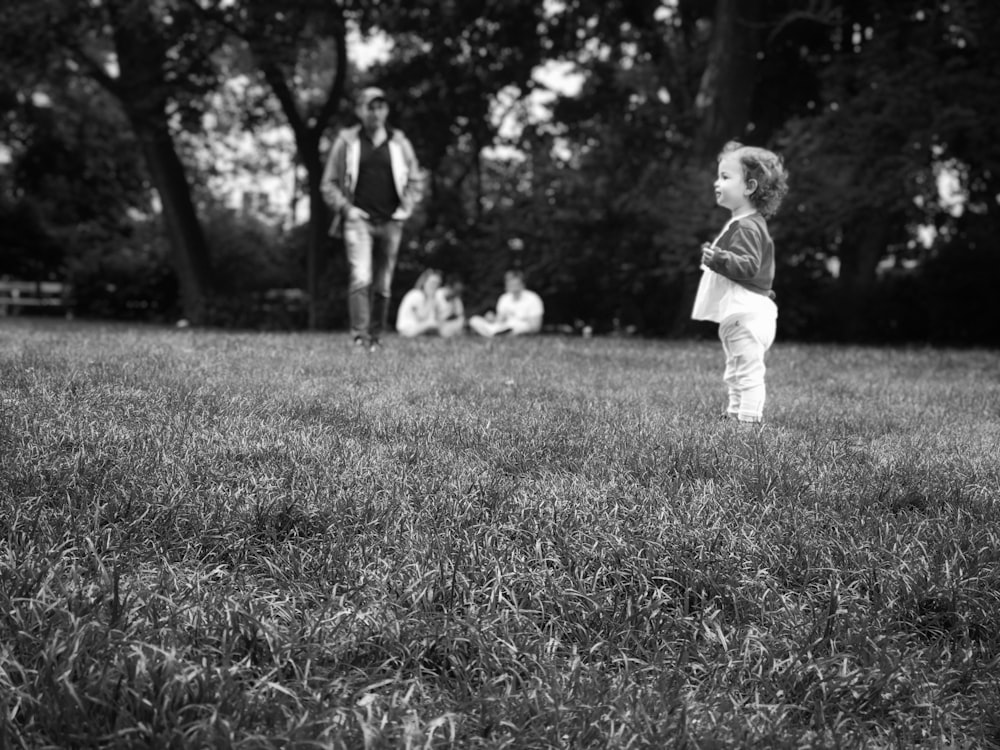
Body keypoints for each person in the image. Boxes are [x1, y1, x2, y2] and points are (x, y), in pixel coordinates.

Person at [691, 140, 789, 424]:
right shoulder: (744, 222)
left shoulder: (746, 226)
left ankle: (748, 421)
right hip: (743, 313)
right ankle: (734, 415)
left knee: (747, 371)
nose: (716, 182)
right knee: (736, 369)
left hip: (747, 312)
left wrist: (718, 257)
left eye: (725, 176)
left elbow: (748, 266)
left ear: (749, 187)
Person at [321, 86, 423, 352]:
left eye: (380, 106)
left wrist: (406, 208)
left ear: (386, 110)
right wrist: (346, 209)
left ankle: (376, 339)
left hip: (391, 221)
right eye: (370, 106)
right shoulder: (347, 141)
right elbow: (328, 183)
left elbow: (415, 180)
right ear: (359, 111)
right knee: (361, 276)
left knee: (384, 281)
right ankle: (359, 338)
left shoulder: (399, 142)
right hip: (359, 221)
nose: (375, 112)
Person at [469, 269, 544, 337]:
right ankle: (495, 334)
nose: (512, 286)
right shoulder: (504, 298)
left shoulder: (533, 298)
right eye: (510, 283)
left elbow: (535, 327)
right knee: (474, 320)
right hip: (502, 327)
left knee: (519, 327)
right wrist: (492, 319)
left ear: (522, 284)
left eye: (515, 283)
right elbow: (499, 320)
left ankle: (494, 335)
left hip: (519, 327)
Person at [395, 269, 444, 337]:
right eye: (432, 283)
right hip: (407, 329)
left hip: (418, 328)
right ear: (424, 282)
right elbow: (421, 317)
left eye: (437, 284)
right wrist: (430, 298)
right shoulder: (416, 295)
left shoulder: (428, 298)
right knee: (433, 323)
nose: (434, 286)